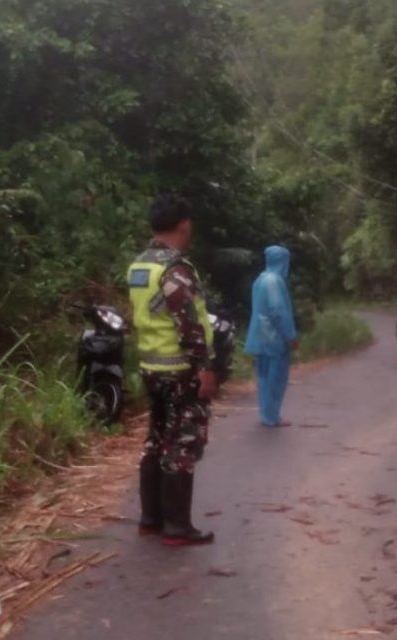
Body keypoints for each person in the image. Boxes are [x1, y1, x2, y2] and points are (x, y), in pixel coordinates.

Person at [127, 194, 216, 546]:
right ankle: (177, 527)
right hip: (180, 370)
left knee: (156, 439)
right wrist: (205, 368)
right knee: (183, 442)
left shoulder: (139, 267)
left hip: (151, 367)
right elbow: (189, 325)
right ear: (184, 226)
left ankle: (151, 519)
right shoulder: (175, 270)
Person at [244, 245, 298, 427]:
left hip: (259, 335)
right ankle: (272, 416)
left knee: (264, 377)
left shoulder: (260, 279)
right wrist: (290, 335)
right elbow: (278, 311)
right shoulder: (275, 281)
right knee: (276, 378)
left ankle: (266, 413)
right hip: (273, 337)